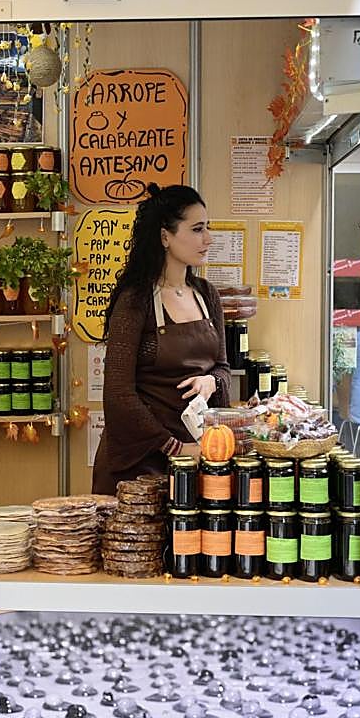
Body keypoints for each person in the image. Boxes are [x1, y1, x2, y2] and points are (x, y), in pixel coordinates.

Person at [91, 184, 230, 494]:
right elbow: (118, 395)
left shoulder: (208, 295)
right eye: (197, 229)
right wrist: (174, 447)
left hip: (195, 458)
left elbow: (222, 367)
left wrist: (212, 382)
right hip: (139, 465)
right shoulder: (136, 301)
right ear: (165, 236)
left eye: (208, 228)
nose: (208, 239)